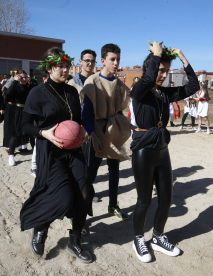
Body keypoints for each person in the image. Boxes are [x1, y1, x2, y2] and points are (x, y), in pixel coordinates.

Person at [19, 47, 93, 263]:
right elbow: (24, 126)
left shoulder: (72, 92)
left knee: (85, 191)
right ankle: (41, 227)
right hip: (50, 151)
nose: (64, 69)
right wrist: (43, 133)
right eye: (60, 66)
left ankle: (75, 240)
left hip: (74, 150)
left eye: (66, 66)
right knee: (63, 196)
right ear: (50, 68)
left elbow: (76, 122)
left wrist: (83, 133)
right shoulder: (37, 93)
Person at [130, 41, 199, 262]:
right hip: (143, 150)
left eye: (166, 71)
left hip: (162, 150)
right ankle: (138, 238)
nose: (163, 75)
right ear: (150, 68)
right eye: (160, 70)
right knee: (144, 201)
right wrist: (156, 56)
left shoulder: (165, 94)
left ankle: (158, 237)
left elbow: (193, 87)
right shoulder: (139, 89)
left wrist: (183, 59)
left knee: (166, 199)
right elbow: (149, 79)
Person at [81, 43, 131, 221]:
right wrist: (93, 135)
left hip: (113, 130)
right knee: (90, 175)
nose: (116, 63)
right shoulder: (92, 82)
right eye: (112, 59)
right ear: (103, 61)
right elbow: (85, 115)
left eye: (118, 59)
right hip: (96, 131)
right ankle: (81, 216)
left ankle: (113, 205)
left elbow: (118, 111)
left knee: (114, 170)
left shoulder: (118, 83)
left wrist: (125, 124)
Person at [3, 70, 32, 166]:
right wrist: (15, 81)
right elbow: (8, 93)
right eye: (21, 77)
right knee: (15, 133)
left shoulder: (29, 87)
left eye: (25, 77)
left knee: (30, 133)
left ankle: (36, 154)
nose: (24, 79)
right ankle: (11, 154)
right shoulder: (14, 85)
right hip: (15, 111)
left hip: (26, 111)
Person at [30, 72, 49, 178]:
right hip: (41, 124)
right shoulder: (38, 91)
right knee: (38, 146)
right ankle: (34, 167)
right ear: (44, 78)